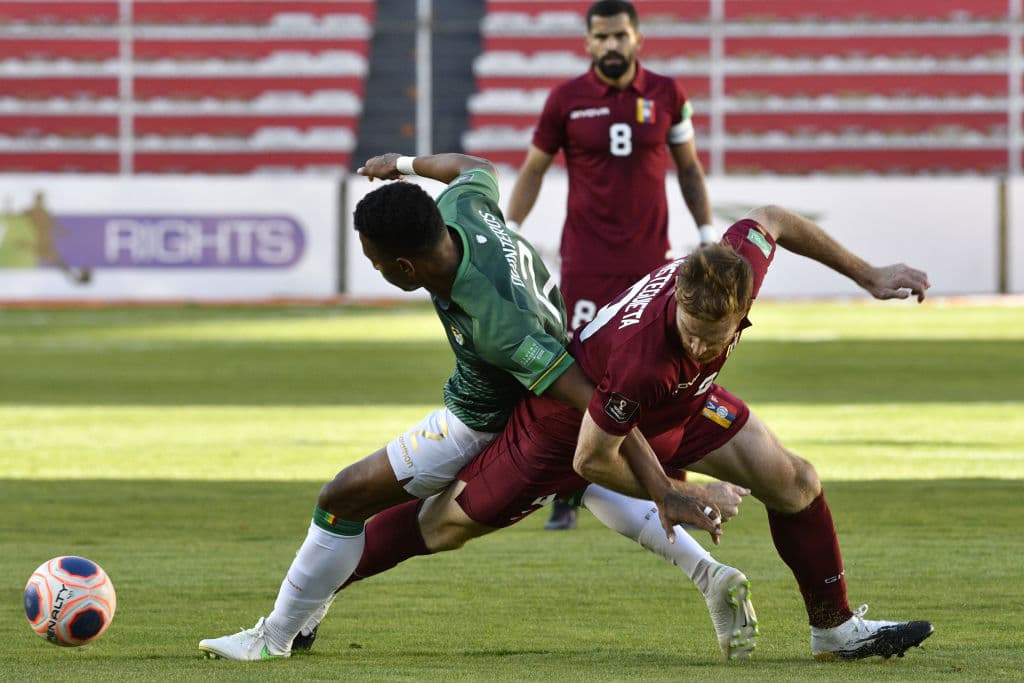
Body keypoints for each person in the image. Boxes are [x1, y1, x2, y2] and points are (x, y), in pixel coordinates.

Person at [296, 205, 935, 661]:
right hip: (566, 426)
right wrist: (674, 496)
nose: (701, 342)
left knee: (796, 482)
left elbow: (777, 219)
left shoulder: (734, 261)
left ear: (744, 305)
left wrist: (868, 274)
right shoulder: (641, 360)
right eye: (691, 330)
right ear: (676, 298)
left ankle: (835, 628)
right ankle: (312, 600)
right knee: (442, 526)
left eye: (717, 336)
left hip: (680, 408)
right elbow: (594, 458)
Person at [198, 152, 756, 662]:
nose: (375, 270)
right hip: (548, 378)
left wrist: (665, 487)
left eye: (377, 263)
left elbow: (592, 399)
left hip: (479, 422)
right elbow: (473, 167)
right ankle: (707, 574)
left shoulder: (497, 324)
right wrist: (404, 163)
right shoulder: (464, 208)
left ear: (406, 269)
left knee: (344, 500)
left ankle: (273, 638)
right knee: (579, 483)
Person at [504, 0, 715, 530]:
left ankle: (671, 487)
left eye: (620, 35)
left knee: (664, 373)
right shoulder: (565, 99)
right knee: (582, 376)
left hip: (652, 265)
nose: (611, 46)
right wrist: (508, 231)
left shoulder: (668, 94)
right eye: (601, 37)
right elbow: (533, 170)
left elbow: (688, 170)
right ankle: (569, 486)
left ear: (638, 38)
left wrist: (708, 234)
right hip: (588, 264)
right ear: (588, 43)